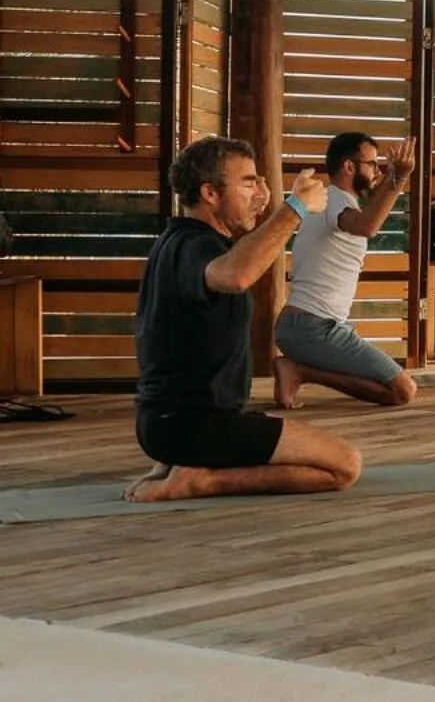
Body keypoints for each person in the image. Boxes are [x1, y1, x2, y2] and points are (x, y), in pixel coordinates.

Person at [125, 137, 363, 503]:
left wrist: (269, 209)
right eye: (249, 182)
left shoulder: (176, 241)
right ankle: (199, 481)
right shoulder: (197, 246)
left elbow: (243, 256)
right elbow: (236, 274)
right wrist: (295, 207)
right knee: (344, 465)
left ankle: (182, 466)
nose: (259, 192)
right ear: (210, 193)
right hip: (196, 428)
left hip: (166, 427)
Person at [273, 130, 420, 408]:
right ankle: (299, 371)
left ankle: (298, 369)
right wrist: (398, 177)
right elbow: (368, 227)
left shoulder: (334, 200)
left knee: (393, 386)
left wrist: (395, 176)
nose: (378, 171)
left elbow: (373, 203)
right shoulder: (337, 200)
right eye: (373, 164)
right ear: (349, 166)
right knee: (403, 390)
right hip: (314, 328)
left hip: (303, 327)